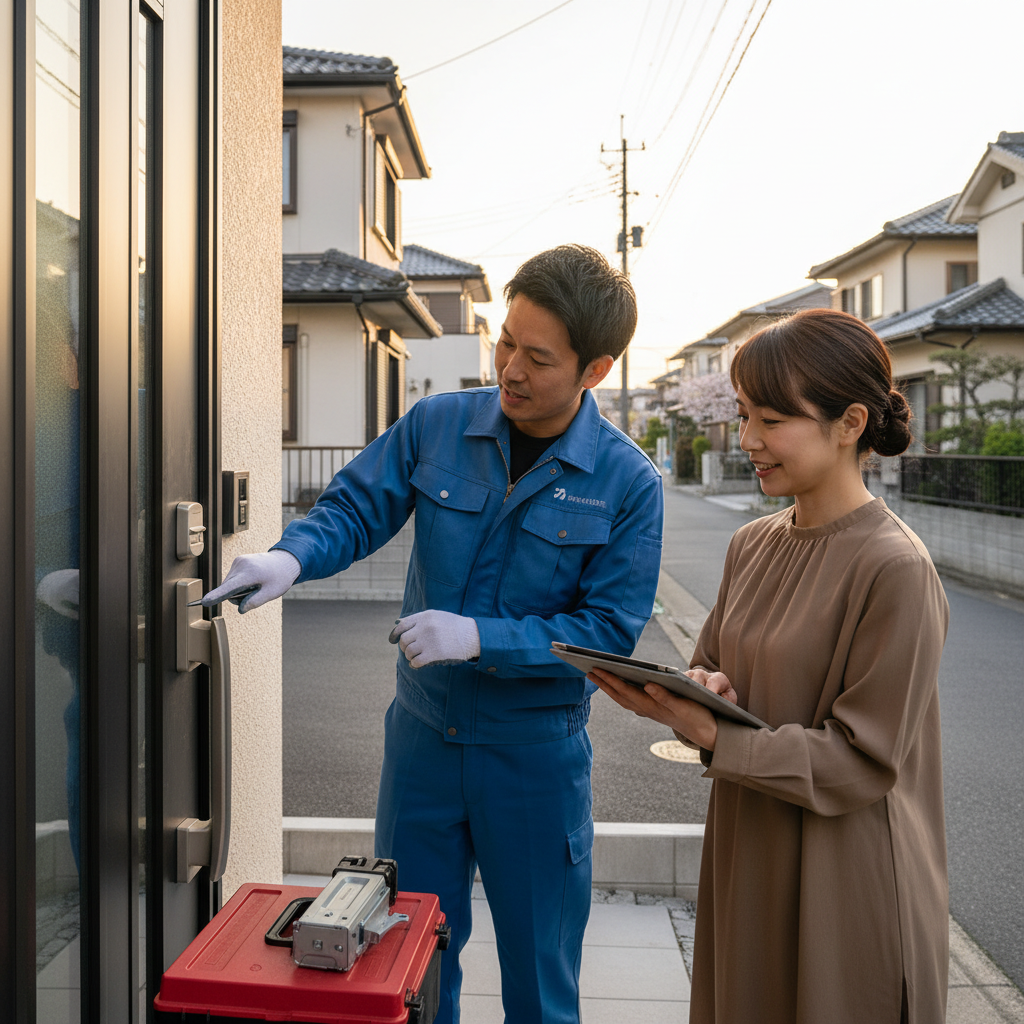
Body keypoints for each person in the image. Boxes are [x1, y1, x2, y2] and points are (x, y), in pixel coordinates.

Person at [204, 244, 664, 1023]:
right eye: (506, 340)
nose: (511, 367)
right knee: (403, 965)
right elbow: (355, 509)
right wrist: (290, 556)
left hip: (535, 760)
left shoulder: (627, 483)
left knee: (540, 977)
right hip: (423, 747)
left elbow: (607, 633)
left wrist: (482, 638)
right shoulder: (438, 425)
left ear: (596, 370)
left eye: (538, 357)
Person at [589, 308, 948, 1024]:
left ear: (849, 424)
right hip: (750, 847)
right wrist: (701, 692)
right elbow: (716, 668)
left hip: (847, 874)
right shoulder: (752, 543)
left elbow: (863, 761)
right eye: (746, 415)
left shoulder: (895, 568)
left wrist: (719, 734)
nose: (748, 440)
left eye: (772, 420)